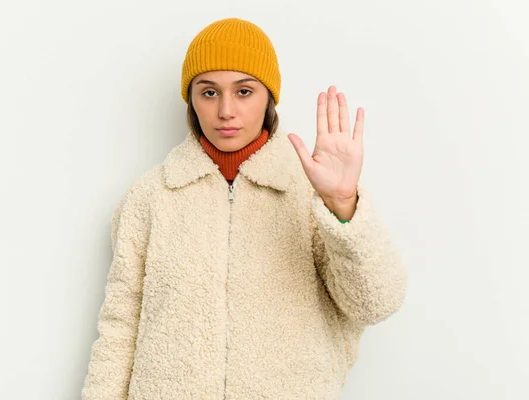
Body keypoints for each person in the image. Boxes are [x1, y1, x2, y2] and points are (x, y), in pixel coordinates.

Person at [81, 17, 407, 400]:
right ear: (192, 101)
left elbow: (375, 303)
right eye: (209, 92)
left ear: (269, 96)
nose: (226, 111)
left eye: (244, 91)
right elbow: (119, 329)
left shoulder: (313, 192)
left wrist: (341, 204)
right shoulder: (150, 197)